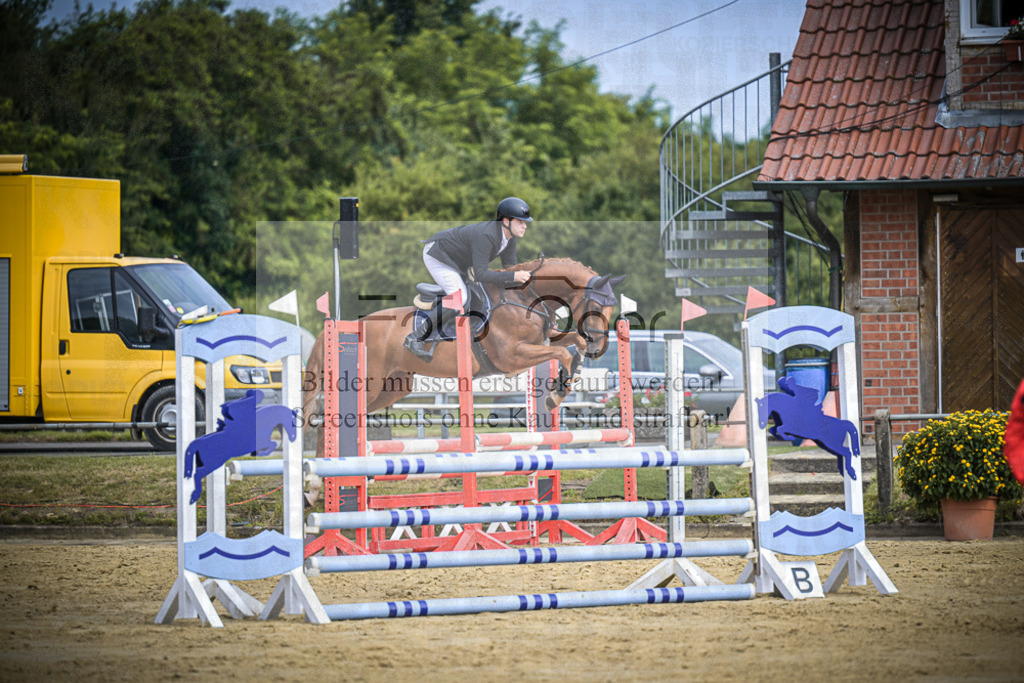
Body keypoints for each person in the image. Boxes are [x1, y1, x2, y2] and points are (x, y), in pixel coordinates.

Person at [404, 197, 534, 360]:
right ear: (506, 221)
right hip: (438, 254)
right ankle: (416, 337)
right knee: (460, 297)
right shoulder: (486, 235)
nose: (525, 225)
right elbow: (481, 274)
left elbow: (510, 269)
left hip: (458, 261)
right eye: (520, 221)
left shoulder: (509, 239)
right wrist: (514, 276)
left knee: (480, 295)